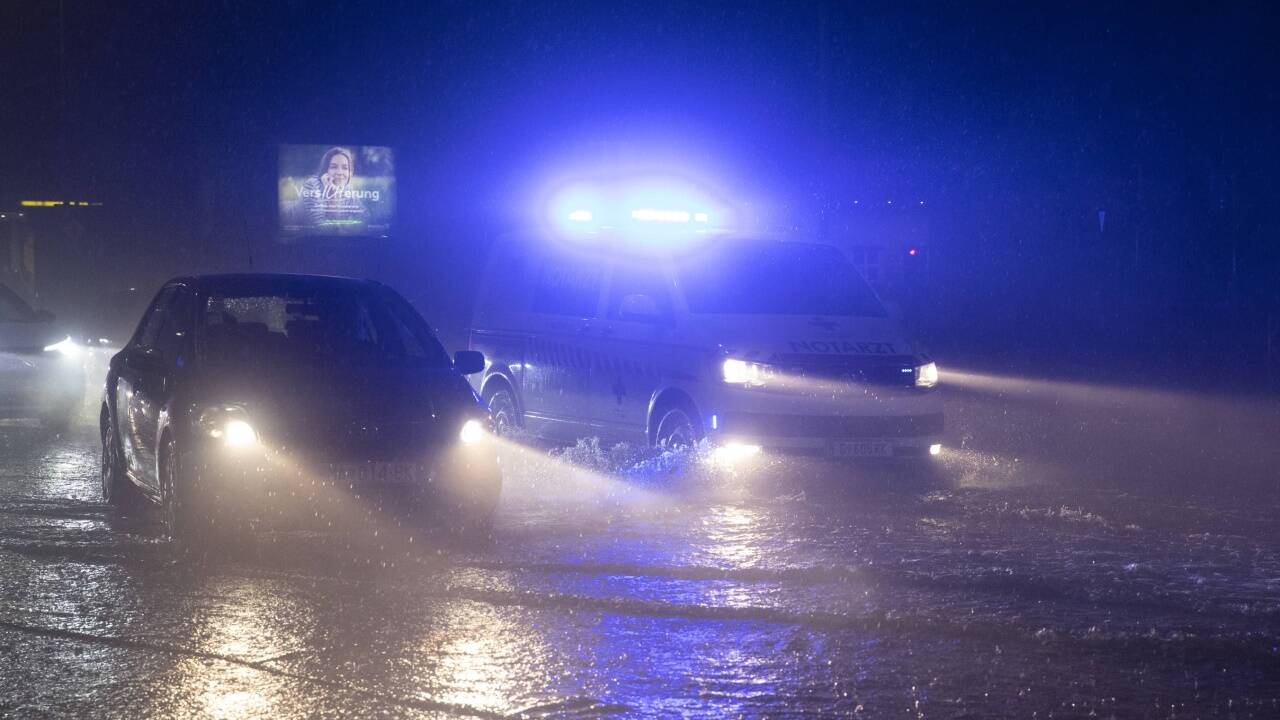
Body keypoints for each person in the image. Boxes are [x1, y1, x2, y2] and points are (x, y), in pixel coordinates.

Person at [296, 147, 368, 230]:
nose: (340, 173)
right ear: (325, 170)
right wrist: (333, 196)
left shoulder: (347, 189)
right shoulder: (312, 185)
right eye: (333, 167)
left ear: (350, 172)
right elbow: (323, 229)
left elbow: (365, 217)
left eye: (345, 168)